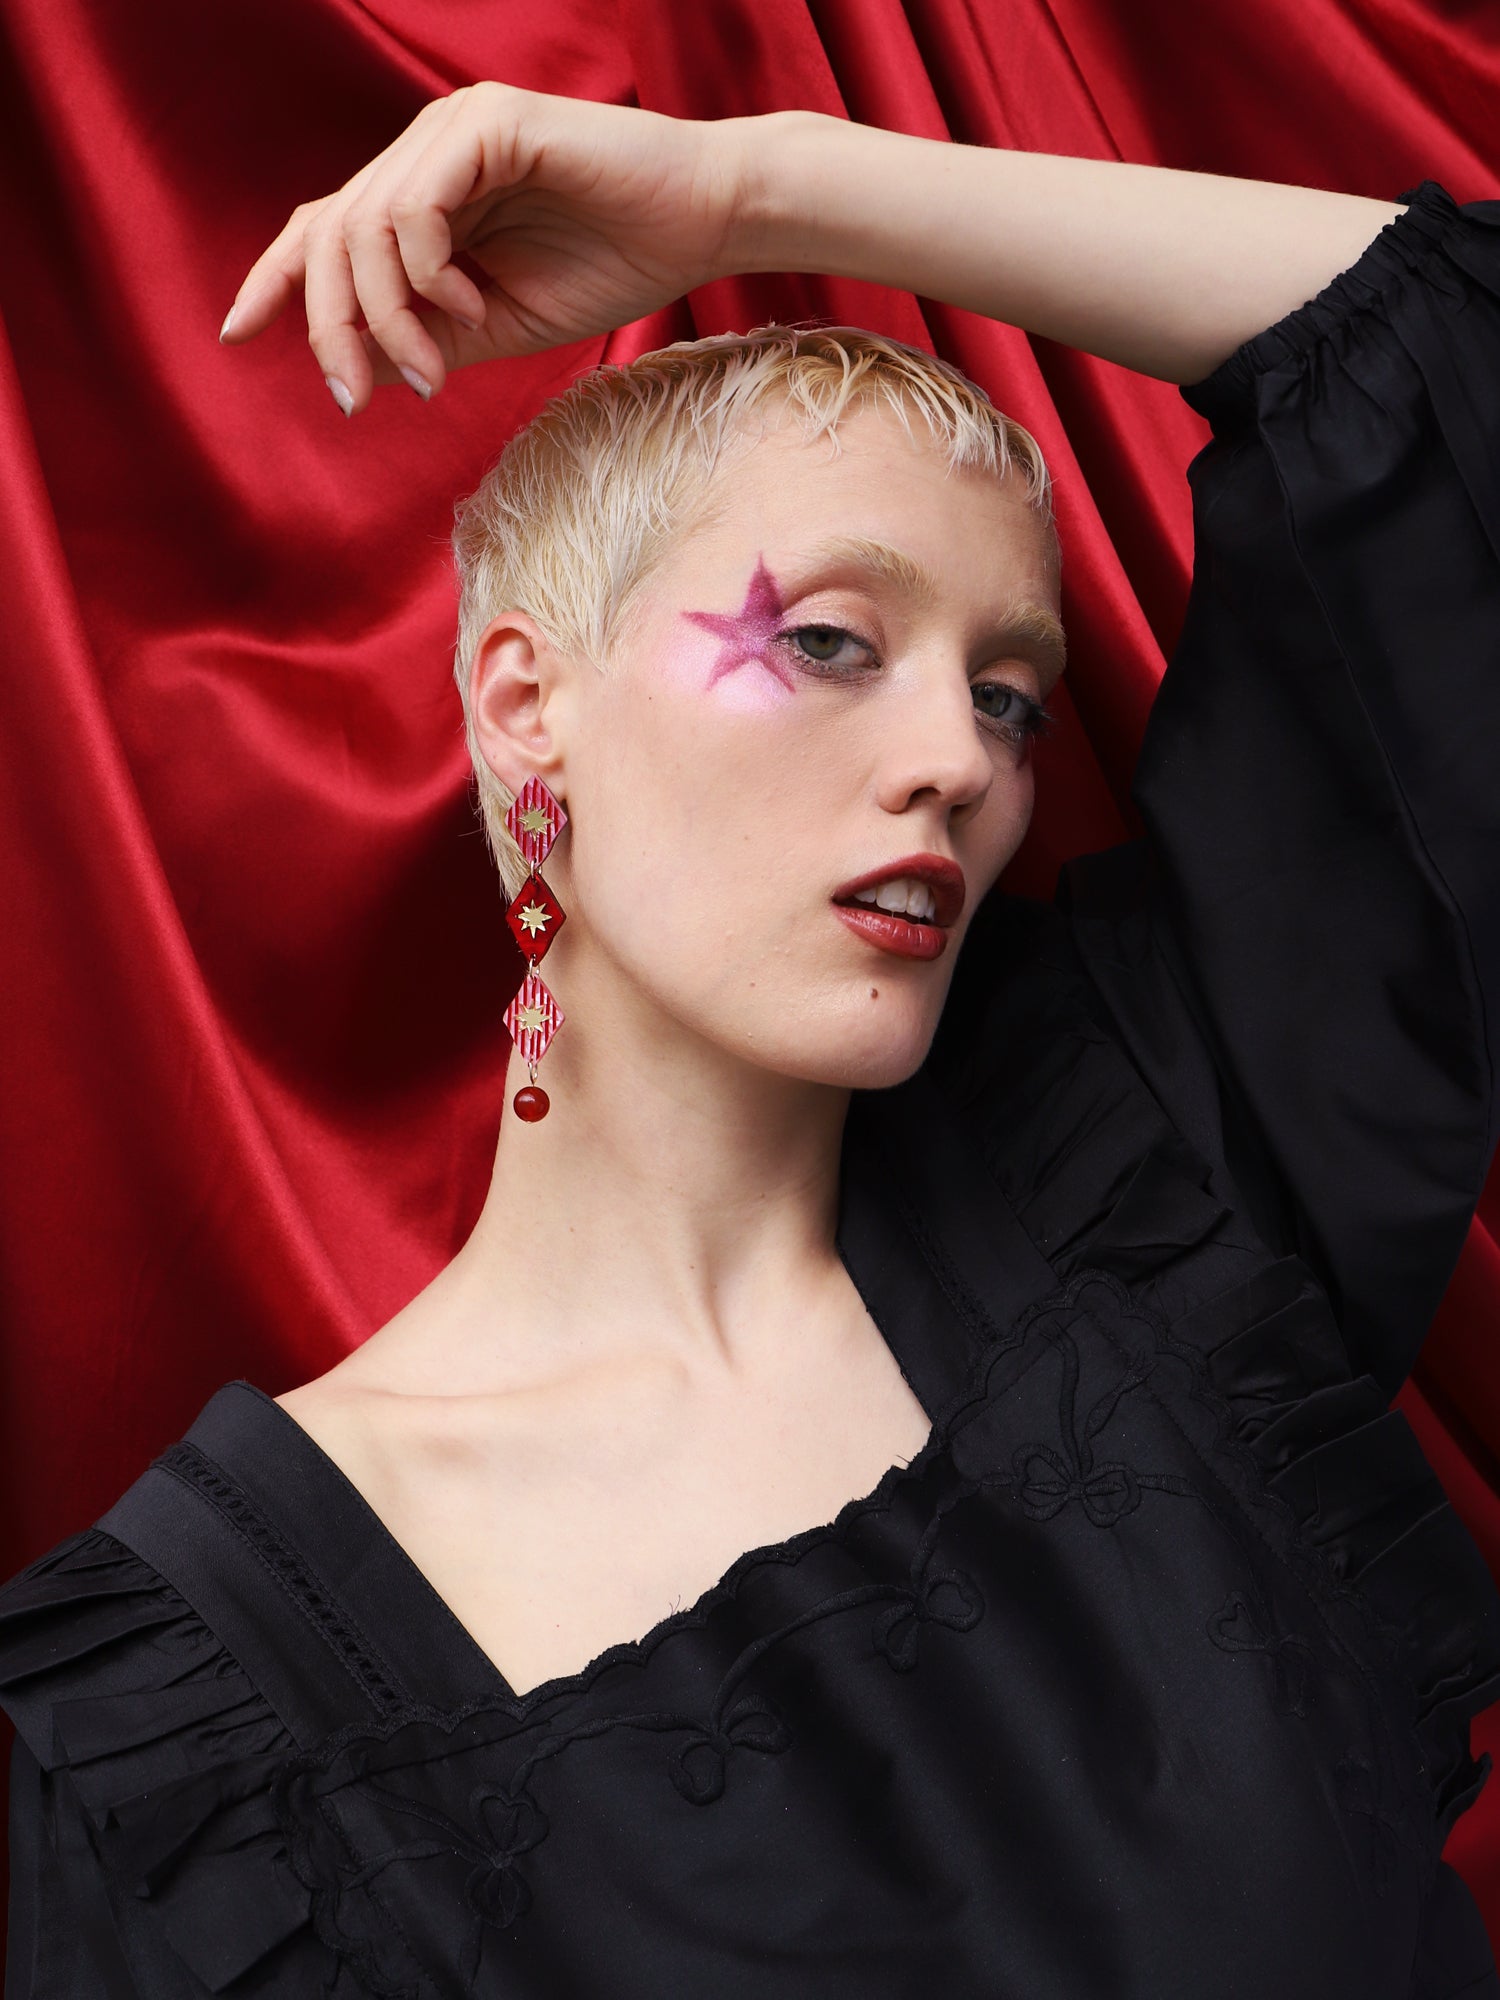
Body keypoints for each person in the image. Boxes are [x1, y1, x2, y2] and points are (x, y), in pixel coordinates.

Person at [2, 81, 1499, 2000]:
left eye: (1014, 694)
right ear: (526, 704)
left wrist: (754, 180)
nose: (959, 759)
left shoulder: (1151, 1215)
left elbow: (1451, 375)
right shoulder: (203, 1721)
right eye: (828, 642)